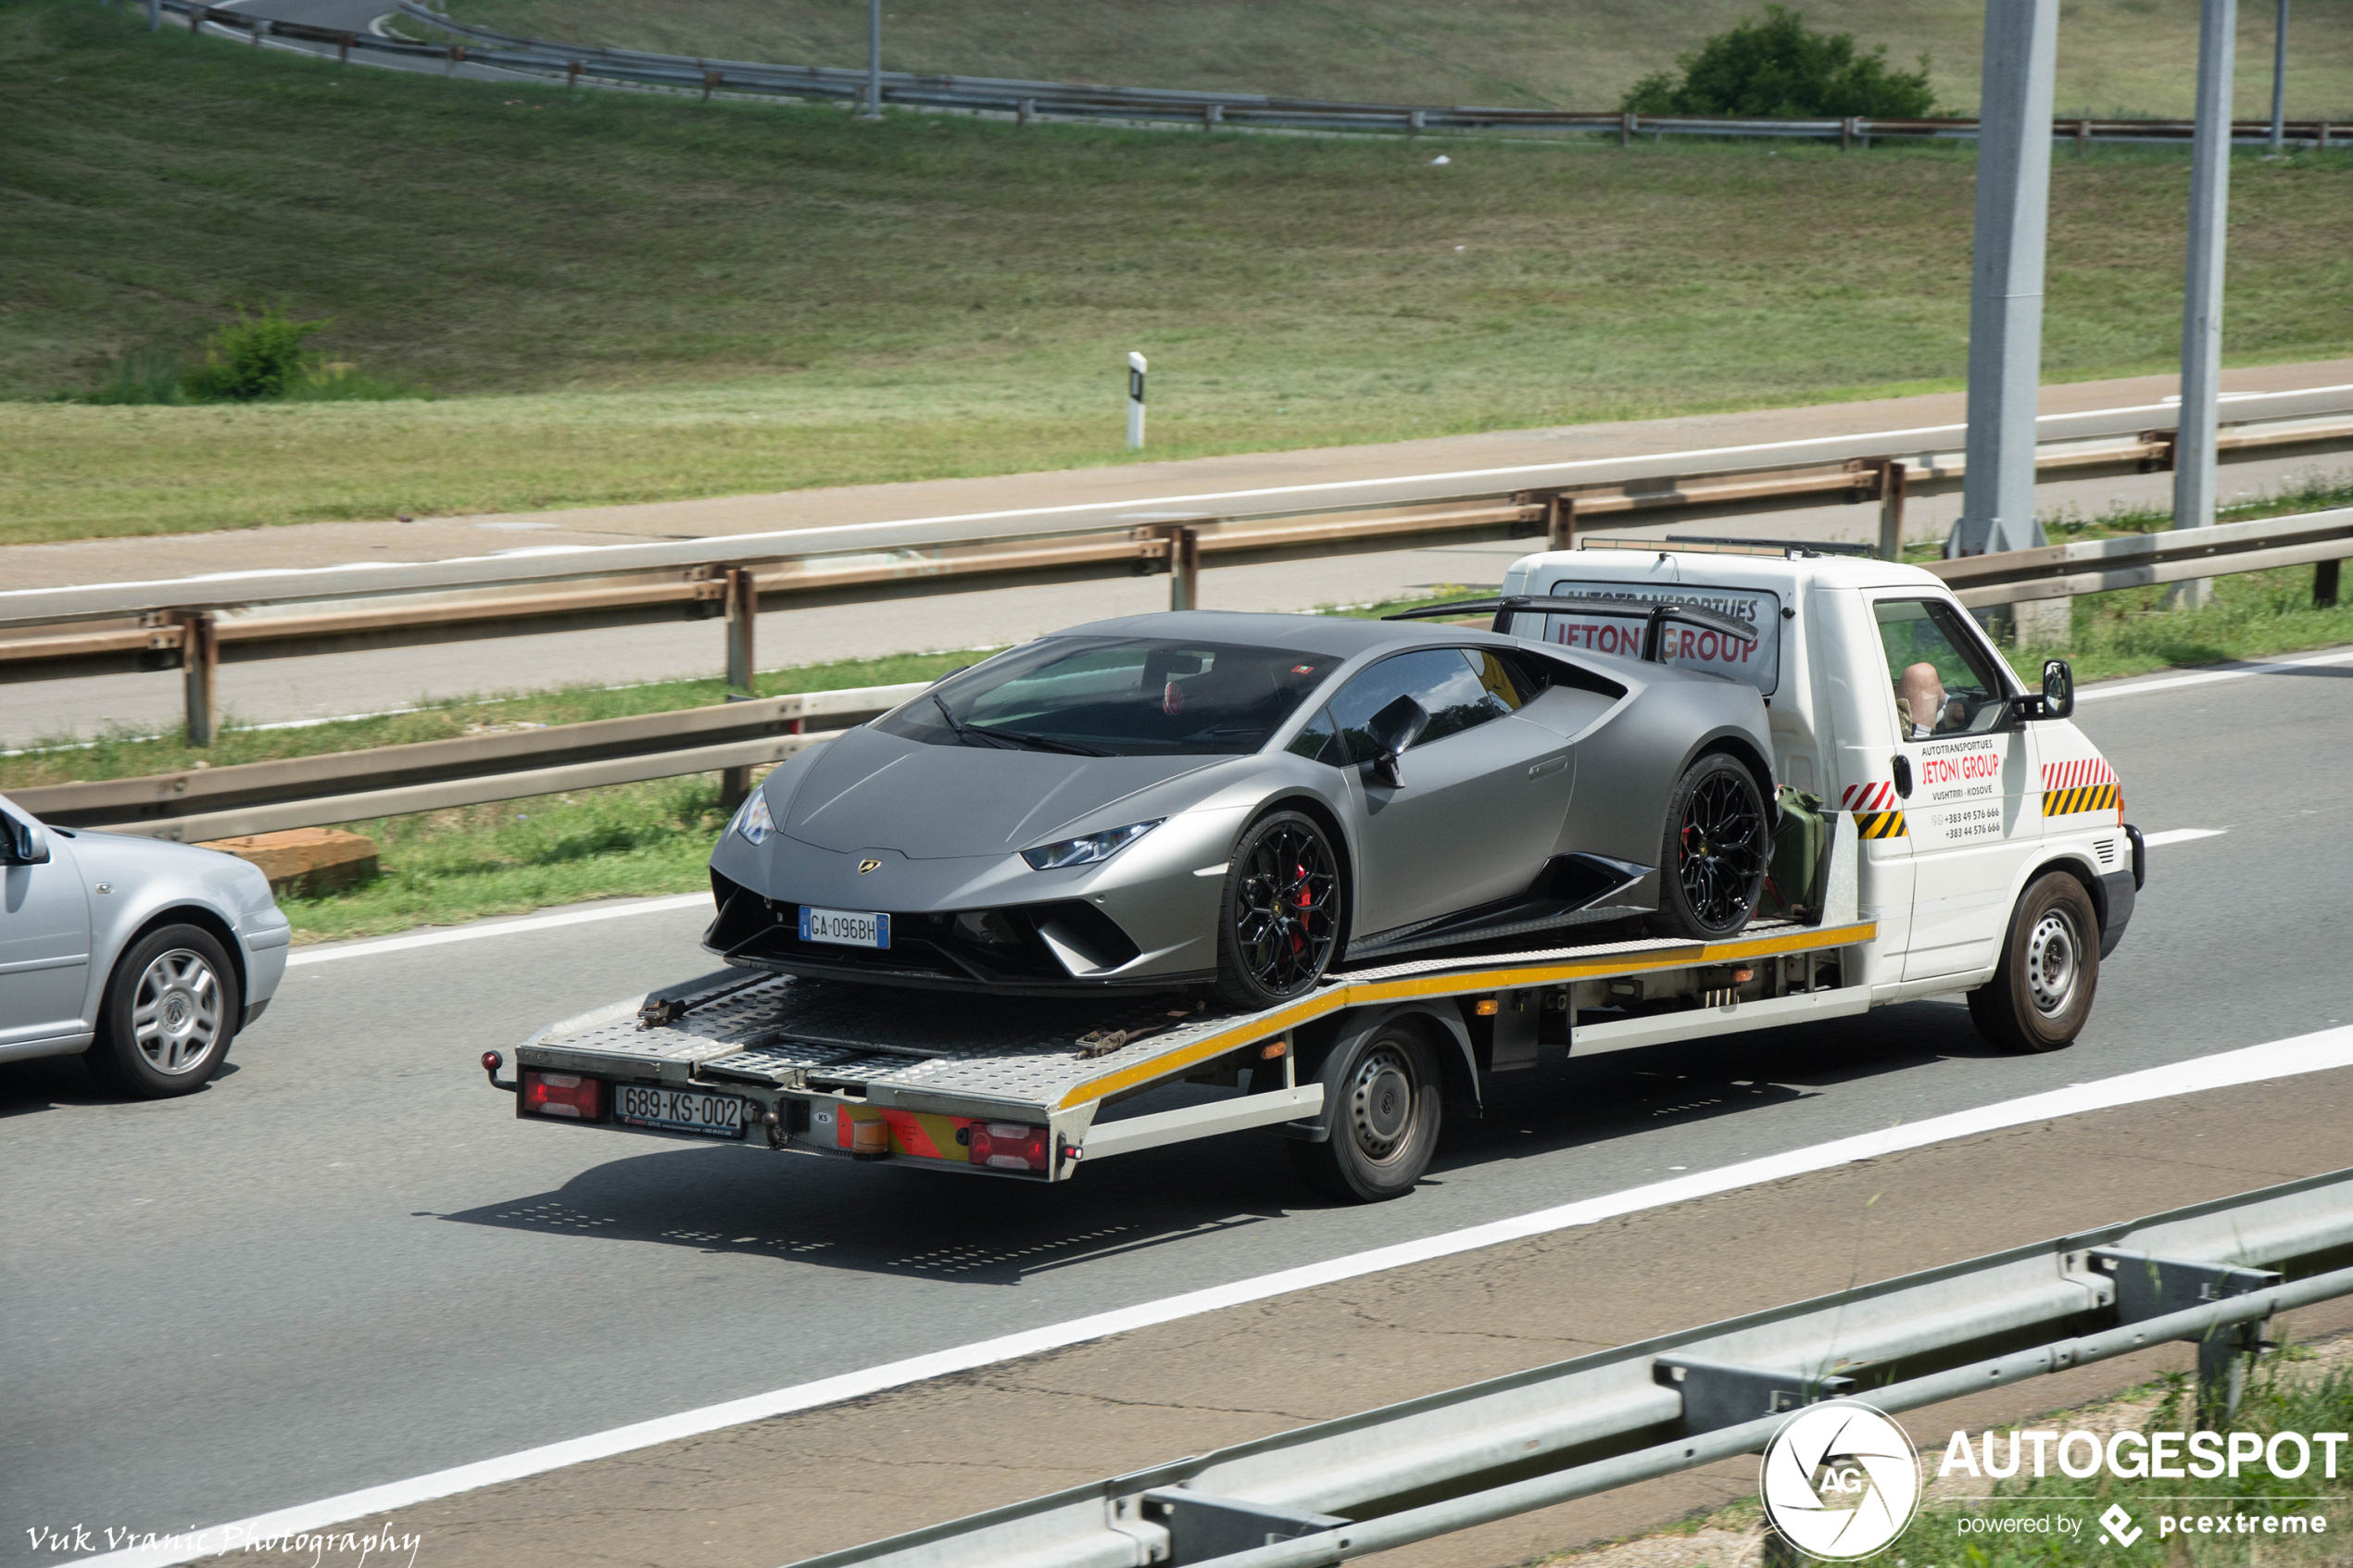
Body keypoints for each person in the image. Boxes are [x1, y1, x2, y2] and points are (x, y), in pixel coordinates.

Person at [1895, 661, 1962, 738]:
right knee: (1922, 673)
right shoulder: (1921, 675)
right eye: (1936, 685)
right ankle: (1920, 736)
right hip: (1917, 746)